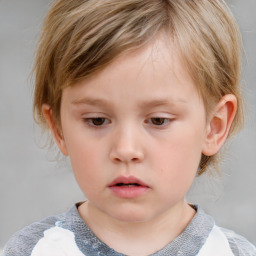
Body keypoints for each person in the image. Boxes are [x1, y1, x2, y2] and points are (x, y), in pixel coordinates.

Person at [3, 0, 256, 255]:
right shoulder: (31, 250)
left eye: (158, 120)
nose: (125, 149)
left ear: (213, 126)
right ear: (58, 127)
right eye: (97, 120)